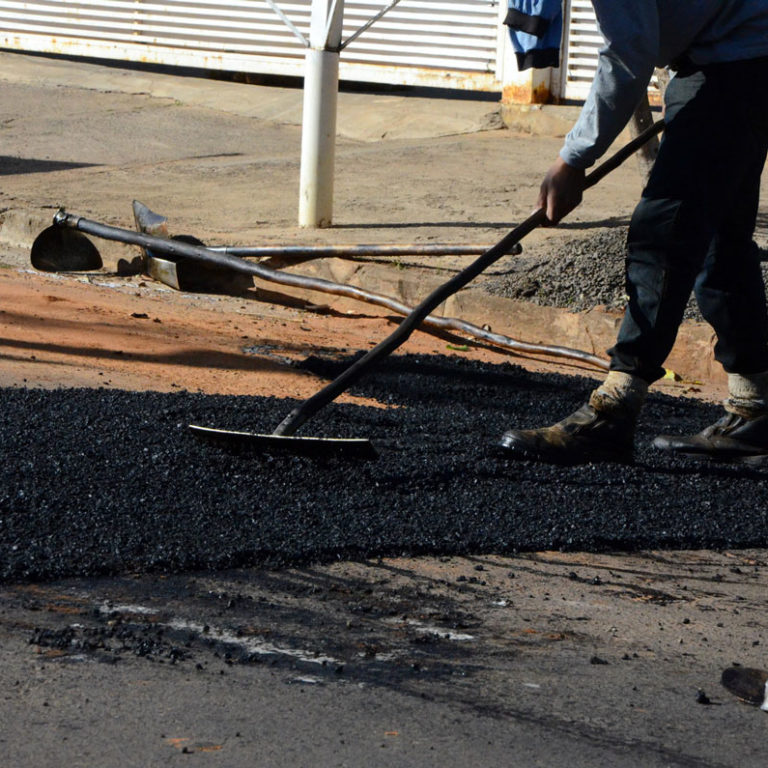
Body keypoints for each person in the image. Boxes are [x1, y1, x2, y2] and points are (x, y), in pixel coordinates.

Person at [499, 0, 768, 465]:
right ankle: (758, 411)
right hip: (740, 59)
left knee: (662, 235)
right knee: (721, 245)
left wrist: (574, 159)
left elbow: (629, 54)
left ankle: (613, 410)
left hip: (735, 65)